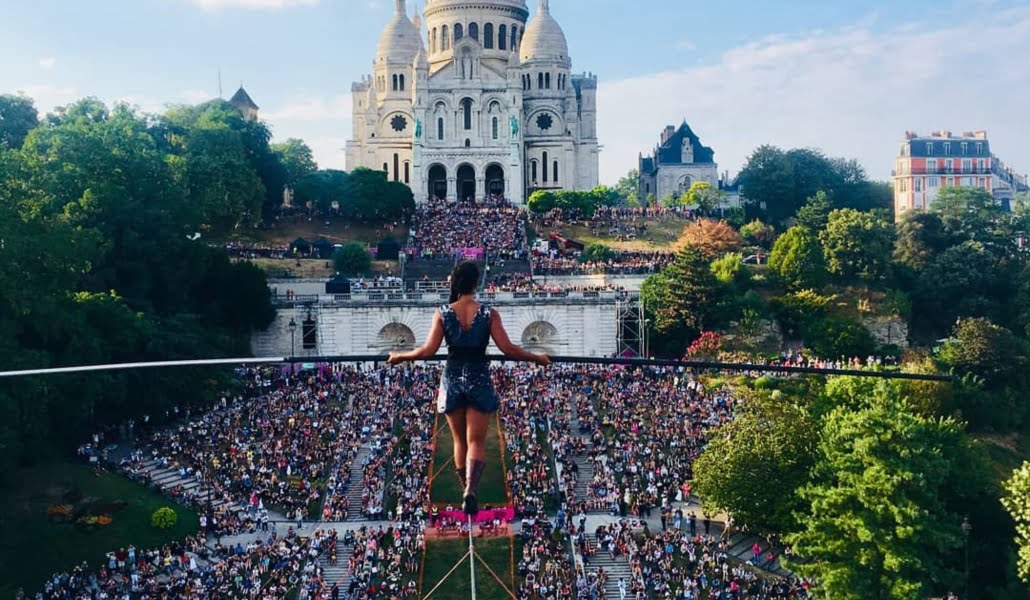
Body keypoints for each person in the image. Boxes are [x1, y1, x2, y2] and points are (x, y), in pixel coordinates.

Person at [389, 261, 550, 515]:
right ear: (475, 284)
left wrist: (401, 356)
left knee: (458, 440)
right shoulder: (488, 313)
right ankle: (471, 491)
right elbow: (508, 349)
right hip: (478, 376)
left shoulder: (443, 312)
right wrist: (537, 358)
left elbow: (429, 351)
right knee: (476, 440)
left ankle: (465, 488)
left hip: (452, 377)